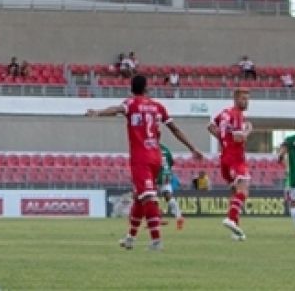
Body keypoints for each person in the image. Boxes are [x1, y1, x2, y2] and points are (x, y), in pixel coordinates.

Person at [86, 75, 203, 252]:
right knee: (140, 197)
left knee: (147, 197)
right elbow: (175, 129)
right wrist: (192, 147)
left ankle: (156, 241)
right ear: (147, 88)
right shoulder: (158, 107)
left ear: (131, 89)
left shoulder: (131, 104)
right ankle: (130, 238)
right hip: (156, 156)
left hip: (141, 158)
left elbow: (117, 109)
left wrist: (98, 112)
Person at [208, 88, 252, 240]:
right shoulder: (237, 115)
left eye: (247, 99)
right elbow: (239, 138)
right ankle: (231, 219)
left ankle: (235, 231)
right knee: (244, 190)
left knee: (234, 192)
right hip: (236, 158)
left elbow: (210, 126)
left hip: (225, 157)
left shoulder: (224, 113)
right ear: (236, 98)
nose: (246, 102)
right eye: (243, 98)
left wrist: (222, 140)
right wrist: (248, 131)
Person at [158, 143, 184, 230]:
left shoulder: (150, 147)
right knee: (168, 195)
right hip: (167, 174)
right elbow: (171, 163)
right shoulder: (166, 149)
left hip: (156, 174)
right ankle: (179, 216)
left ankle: (157, 218)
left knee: (149, 196)